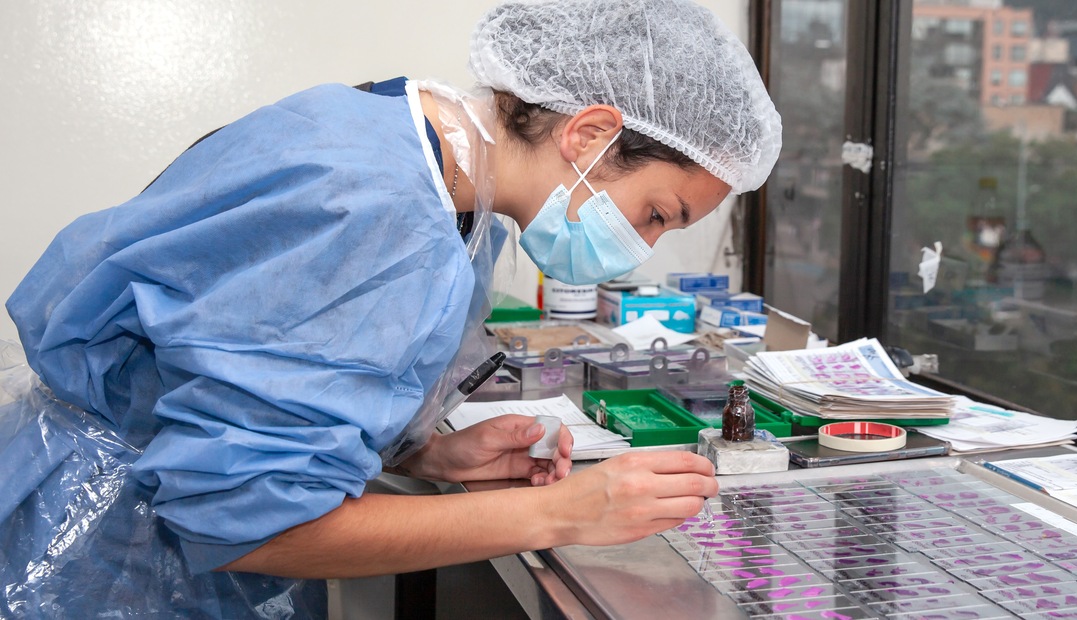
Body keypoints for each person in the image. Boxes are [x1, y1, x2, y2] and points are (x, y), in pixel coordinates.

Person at [0, 0, 781, 617]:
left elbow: (240, 373)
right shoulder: (381, 211)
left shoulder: (418, 151)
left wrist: (418, 456)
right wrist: (567, 515)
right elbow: (241, 517)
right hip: (108, 552)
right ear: (589, 132)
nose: (640, 246)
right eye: (656, 214)